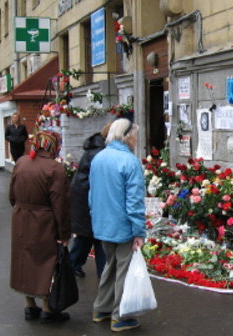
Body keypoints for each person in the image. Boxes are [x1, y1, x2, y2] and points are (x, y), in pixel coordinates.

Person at [89, 119, 146, 332]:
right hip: (123, 226)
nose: (136, 139)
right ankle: (120, 316)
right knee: (124, 269)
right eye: (134, 135)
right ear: (127, 136)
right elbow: (134, 202)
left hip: (102, 223)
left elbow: (92, 193)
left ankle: (101, 308)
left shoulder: (99, 159)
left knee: (109, 266)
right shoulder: (129, 162)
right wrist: (139, 231)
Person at [9, 130, 71, 323]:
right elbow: (61, 205)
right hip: (44, 220)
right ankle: (47, 307)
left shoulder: (21, 162)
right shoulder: (55, 168)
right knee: (46, 262)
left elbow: (12, 195)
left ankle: (29, 305)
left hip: (21, 216)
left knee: (24, 259)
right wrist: (64, 233)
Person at [69, 122, 113, 279]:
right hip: (87, 201)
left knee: (86, 237)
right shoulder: (100, 153)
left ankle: (73, 265)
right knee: (95, 238)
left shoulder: (96, 149)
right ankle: (103, 274)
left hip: (84, 199)